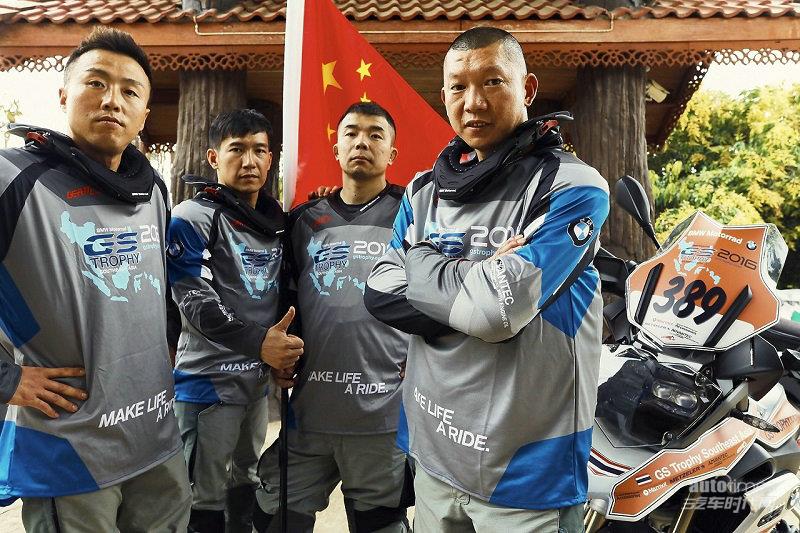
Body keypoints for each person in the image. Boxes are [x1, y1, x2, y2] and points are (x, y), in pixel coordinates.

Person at [364, 27, 610, 532]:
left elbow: (494, 313)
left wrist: (421, 262)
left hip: (526, 474)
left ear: (528, 88)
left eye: (492, 81)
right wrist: (477, 279)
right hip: (434, 452)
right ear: (444, 97)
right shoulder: (423, 190)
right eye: (458, 87)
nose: (473, 102)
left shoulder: (573, 186)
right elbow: (379, 293)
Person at [0, 27, 191, 531]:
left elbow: (158, 295)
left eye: (130, 91)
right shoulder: (13, 178)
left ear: (144, 114)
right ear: (64, 95)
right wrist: (7, 379)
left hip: (156, 440)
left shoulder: (153, 190)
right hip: (71, 453)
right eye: (96, 83)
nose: (112, 100)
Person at [253, 102, 413, 533]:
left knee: (380, 523)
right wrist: (278, 357)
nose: (363, 142)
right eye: (352, 133)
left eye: (376, 134)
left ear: (392, 153)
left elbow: (438, 296)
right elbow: (283, 302)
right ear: (336, 149)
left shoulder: (415, 214)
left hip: (382, 416)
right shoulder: (303, 221)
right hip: (310, 414)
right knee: (272, 518)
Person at [166, 108, 300, 533]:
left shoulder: (277, 222)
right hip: (207, 385)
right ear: (213, 158)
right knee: (201, 497)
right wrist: (261, 343)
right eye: (237, 150)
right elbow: (194, 300)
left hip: (255, 387)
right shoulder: (192, 216)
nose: (249, 161)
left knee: (246, 480)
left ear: (271, 158)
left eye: (259, 150)